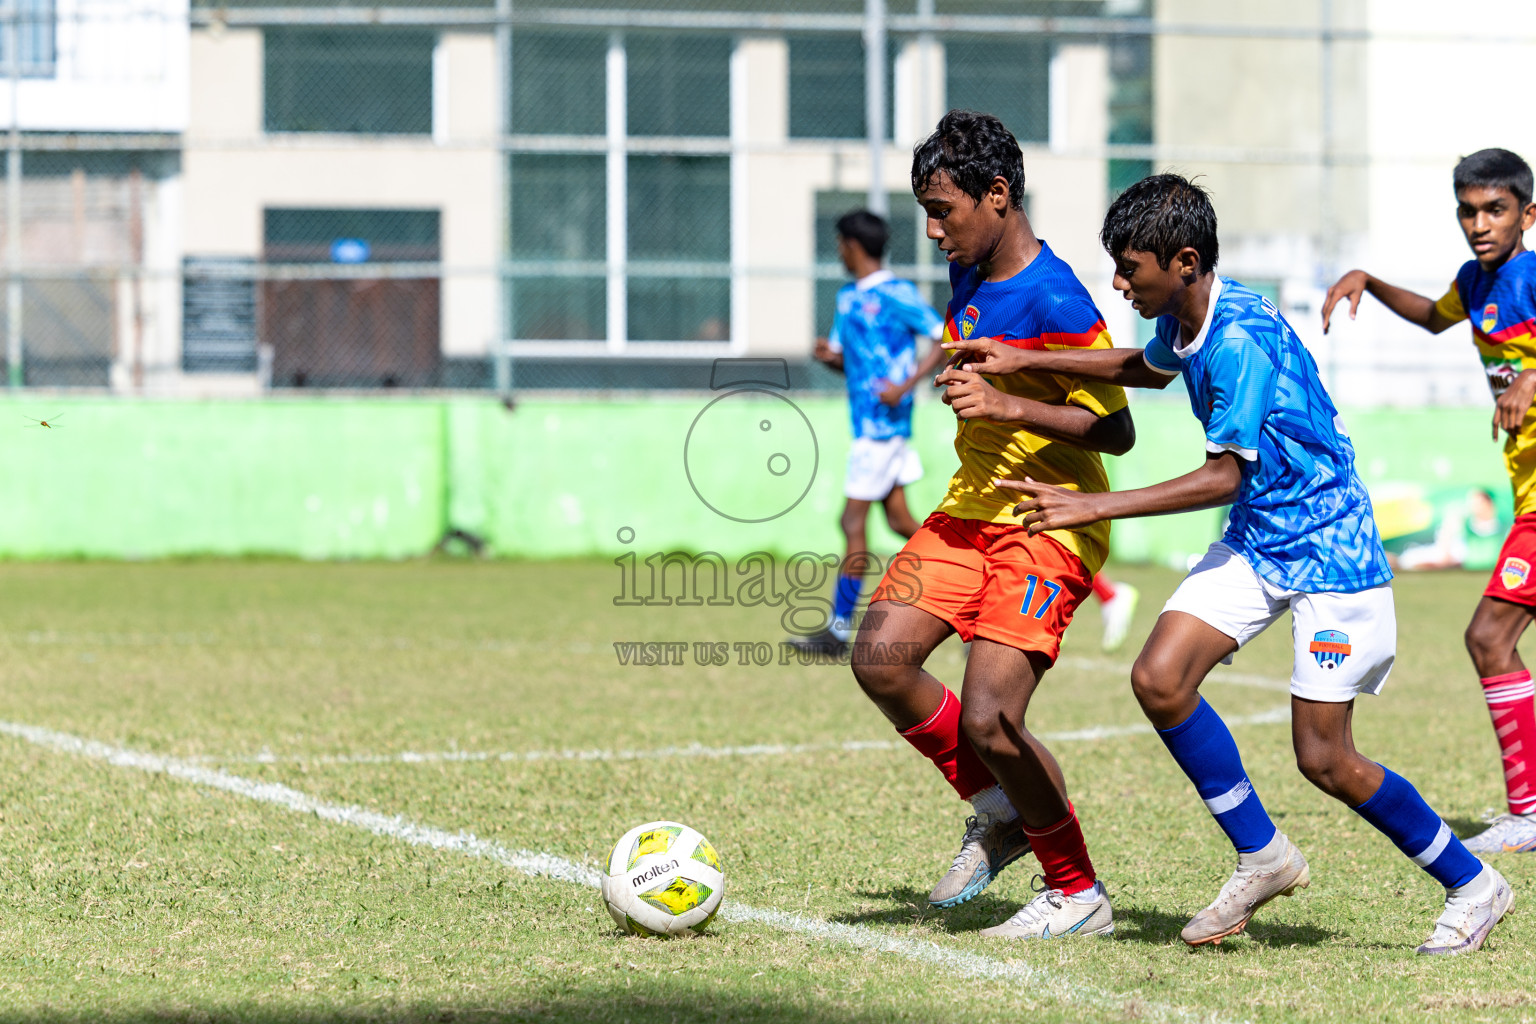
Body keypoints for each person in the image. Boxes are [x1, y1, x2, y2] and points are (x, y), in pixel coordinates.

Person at [944, 173, 1511, 955]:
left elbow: (1222, 476)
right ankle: (1263, 855)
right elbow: (1147, 368)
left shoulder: (1238, 337)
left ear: (1181, 261)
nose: (1117, 281)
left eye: (1129, 267)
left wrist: (1091, 505)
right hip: (1259, 538)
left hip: (1327, 551)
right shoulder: (1192, 310)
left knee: (1325, 756)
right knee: (1160, 678)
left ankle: (1474, 885)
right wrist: (1023, 358)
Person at [853, 109, 1134, 940]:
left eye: (944, 211)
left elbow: (1116, 431)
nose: (934, 231)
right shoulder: (967, 270)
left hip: (1048, 521)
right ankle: (997, 807)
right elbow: (967, 349)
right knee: (880, 658)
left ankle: (1078, 893)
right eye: (926, 214)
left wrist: (1008, 400)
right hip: (968, 509)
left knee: (991, 718)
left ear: (998, 195)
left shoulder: (1056, 295)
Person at [1322, 148, 1536, 853]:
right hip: (1526, 492)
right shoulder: (1476, 285)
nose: (1480, 223)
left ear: (1527, 216)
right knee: (1490, 639)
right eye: (1468, 211)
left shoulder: (1533, 275)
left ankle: (1530, 811)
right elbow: (1431, 317)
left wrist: (1530, 382)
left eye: (1495, 210)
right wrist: (1370, 281)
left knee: (1488, 637)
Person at [789, 210, 949, 656]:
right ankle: (970, 587)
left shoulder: (897, 293)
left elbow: (942, 337)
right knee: (901, 522)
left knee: (851, 520)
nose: (837, 252)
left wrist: (906, 384)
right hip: (866, 422)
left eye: (839, 244)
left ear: (852, 245)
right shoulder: (845, 299)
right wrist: (829, 358)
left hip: (884, 428)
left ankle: (839, 631)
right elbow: (848, 361)